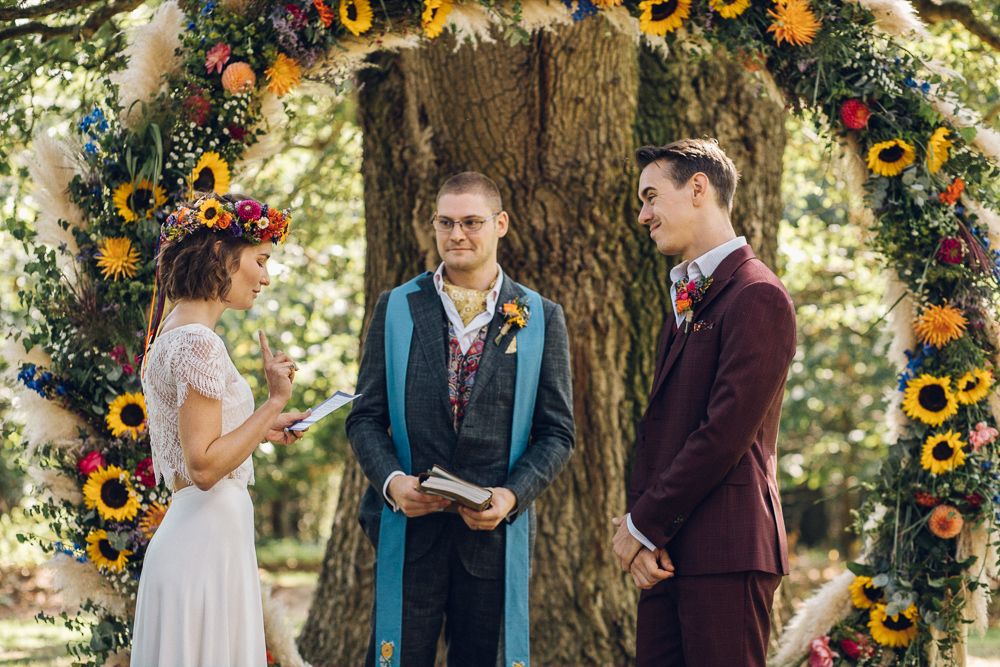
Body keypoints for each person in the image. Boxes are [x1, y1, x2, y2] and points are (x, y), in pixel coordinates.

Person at [347, 172, 575, 667]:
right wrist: (392, 483)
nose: (457, 235)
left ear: (501, 224)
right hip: (410, 535)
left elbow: (558, 432)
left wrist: (511, 496)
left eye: (472, 222)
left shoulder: (540, 316)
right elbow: (365, 417)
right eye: (446, 222)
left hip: (492, 540)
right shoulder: (397, 308)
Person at [611, 139, 796, 667]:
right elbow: (665, 428)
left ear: (698, 188)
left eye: (651, 196)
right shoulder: (684, 296)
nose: (642, 214)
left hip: (727, 550)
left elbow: (723, 435)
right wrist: (649, 537)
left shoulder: (758, 294)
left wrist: (641, 523)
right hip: (669, 550)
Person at [133, 192, 310, 666]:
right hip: (203, 546)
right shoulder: (198, 343)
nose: (266, 277)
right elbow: (205, 465)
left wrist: (264, 425)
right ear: (219, 253)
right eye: (261, 259)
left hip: (199, 540)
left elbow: (200, 439)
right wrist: (274, 400)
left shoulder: (172, 331)